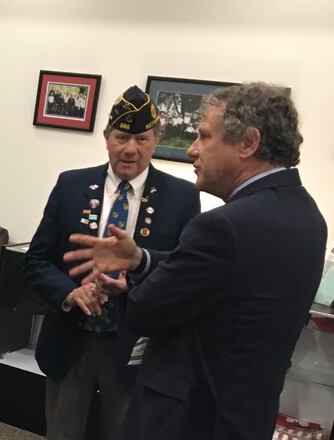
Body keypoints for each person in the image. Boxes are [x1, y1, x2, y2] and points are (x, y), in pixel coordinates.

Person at [65, 82, 327, 440]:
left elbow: (145, 311)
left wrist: (133, 283)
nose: (192, 149)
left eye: (204, 136)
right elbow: (220, 277)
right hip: (247, 415)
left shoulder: (223, 226)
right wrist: (141, 260)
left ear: (248, 143)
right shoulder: (308, 217)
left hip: (190, 416)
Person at [23, 85, 200, 440]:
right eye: (121, 137)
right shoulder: (71, 185)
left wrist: (132, 282)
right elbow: (36, 260)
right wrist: (70, 292)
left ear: (156, 140)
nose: (130, 149)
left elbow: (183, 273)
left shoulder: (182, 197)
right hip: (71, 341)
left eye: (142, 139)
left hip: (136, 345)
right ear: (106, 137)